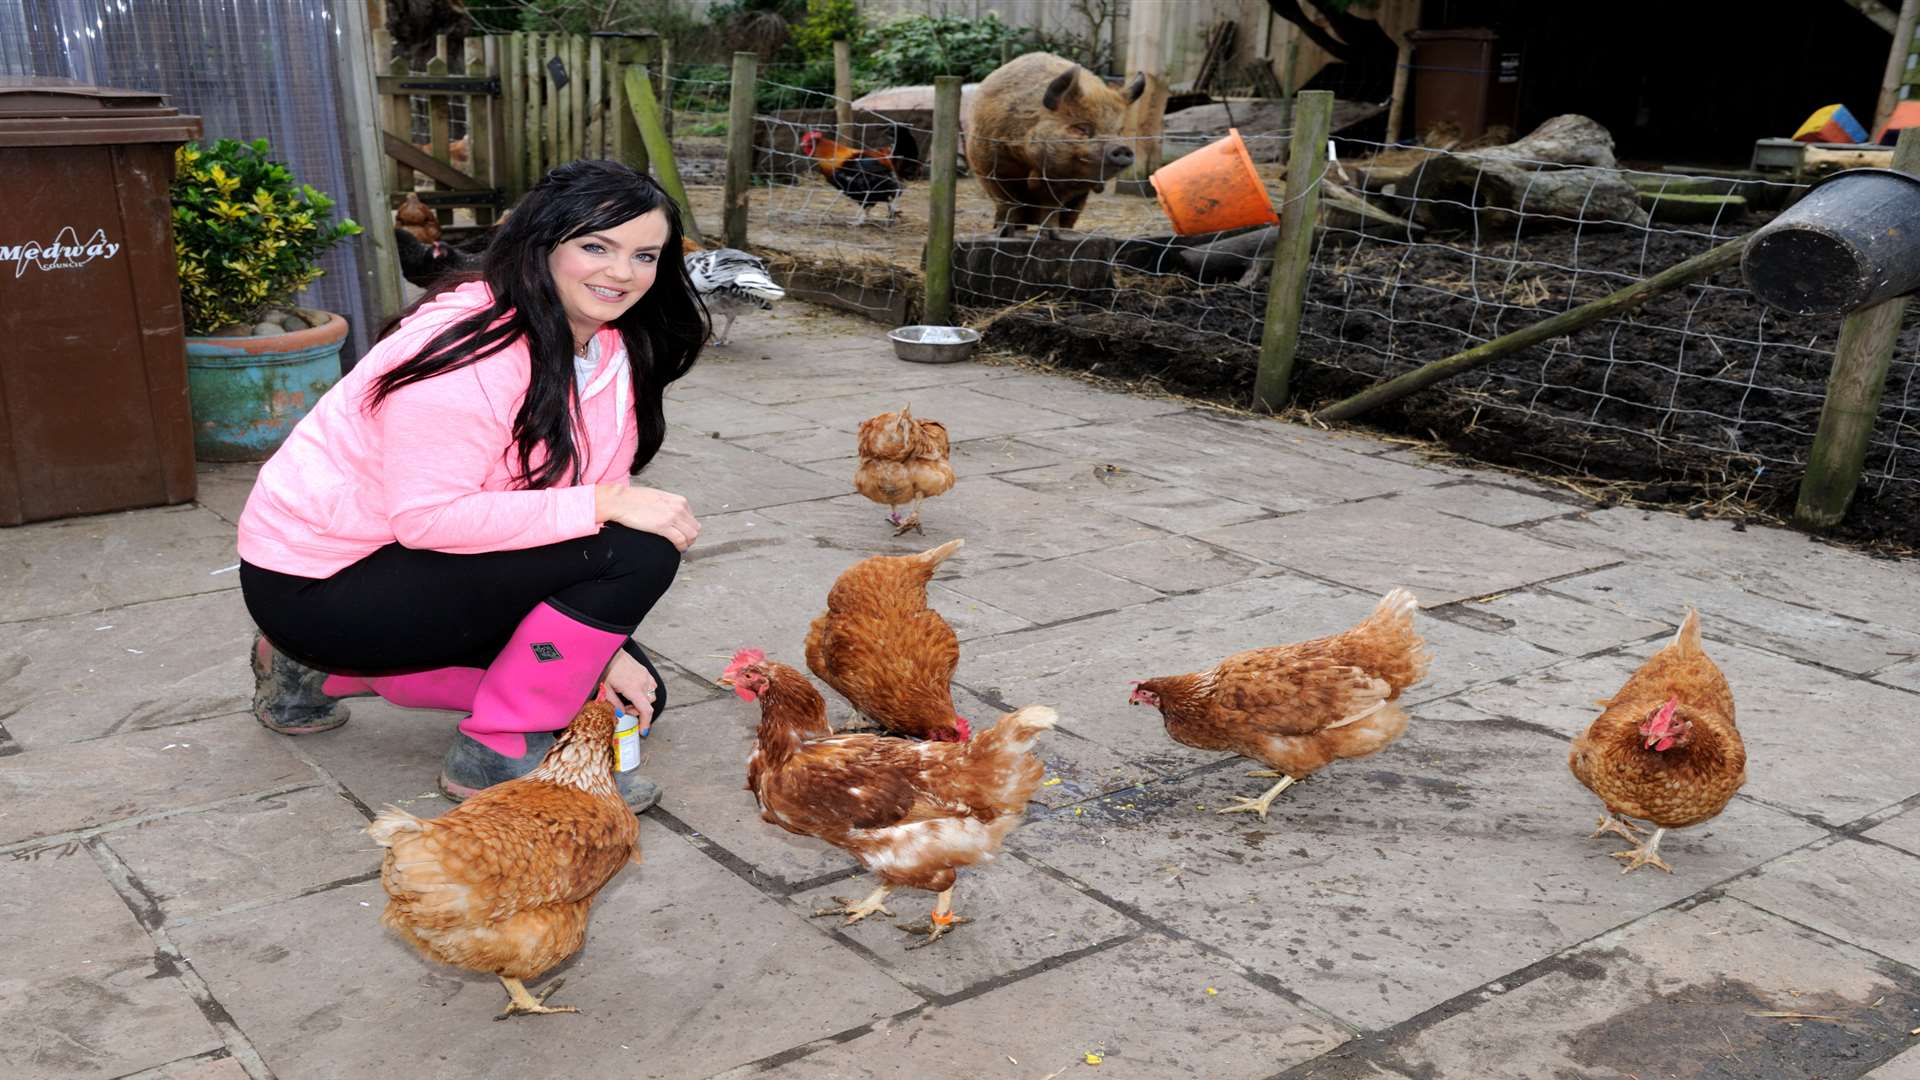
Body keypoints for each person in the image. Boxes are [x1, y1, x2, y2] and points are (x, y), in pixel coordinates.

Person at [236, 160, 705, 812]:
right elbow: (428, 520)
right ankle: (497, 750)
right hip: (324, 585)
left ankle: (326, 672)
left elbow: (585, 494)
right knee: (639, 548)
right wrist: (606, 505)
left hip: (421, 569)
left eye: (644, 254)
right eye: (595, 246)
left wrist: (606, 653)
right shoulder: (469, 348)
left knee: (636, 693)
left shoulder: (611, 344)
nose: (622, 273)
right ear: (543, 243)